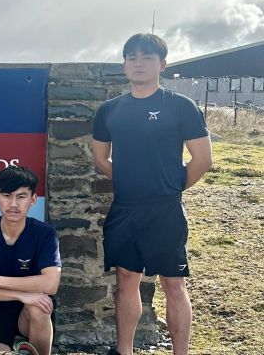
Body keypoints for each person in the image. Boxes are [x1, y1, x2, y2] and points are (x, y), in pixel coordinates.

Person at [91, 34, 213, 355]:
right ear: (124, 65)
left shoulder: (180, 107)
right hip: (125, 209)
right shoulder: (109, 110)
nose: (139, 63)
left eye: (147, 57)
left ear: (162, 64)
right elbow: (101, 159)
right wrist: (134, 181)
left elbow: (203, 160)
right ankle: (124, 350)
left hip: (165, 209)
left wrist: (170, 186)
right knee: (125, 281)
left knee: (173, 284)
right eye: (132, 57)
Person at [0, 165, 61, 355]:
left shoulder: (45, 233)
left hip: (30, 312)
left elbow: (50, 284)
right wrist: (21, 294)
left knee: (39, 306)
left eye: (21, 196)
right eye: (7, 195)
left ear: (33, 200)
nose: (13, 204)